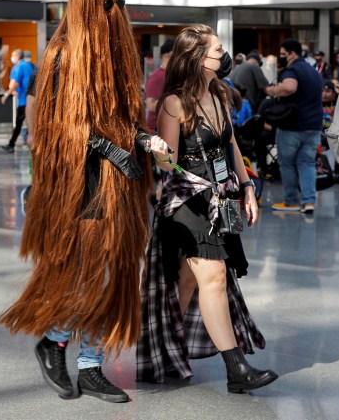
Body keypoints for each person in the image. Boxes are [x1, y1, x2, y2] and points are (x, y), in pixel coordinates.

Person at [0, 0, 169, 403]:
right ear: (89, 3)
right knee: (88, 277)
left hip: (118, 188)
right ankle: (54, 342)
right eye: (108, 2)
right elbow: (61, 127)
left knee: (114, 278)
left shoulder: (113, 56)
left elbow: (116, 119)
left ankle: (90, 365)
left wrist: (143, 140)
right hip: (78, 188)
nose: (118, 10)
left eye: (118, 1)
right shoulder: (62, 56)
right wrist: (112, 150)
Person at [138, 24, 277, 393]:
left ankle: (166, 350)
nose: (223, 54)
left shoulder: (220, 93)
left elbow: (230, 142)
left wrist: (247, 186)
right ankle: (237, 370)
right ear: (197, 58)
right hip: (188, 201)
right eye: (217, 49)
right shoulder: (174, 103)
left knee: (185, 281)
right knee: (213, 277)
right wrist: (161, 155)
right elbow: (168, 166)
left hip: (220, 197)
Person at [266, 39, 323, 213]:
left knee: (287, 164)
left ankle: (291, 201)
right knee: (307, 163)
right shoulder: (313, 72)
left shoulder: (292, 70)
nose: (281, 57)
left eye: (283, 54)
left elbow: (290, 87)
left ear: (292, 54)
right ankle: (309, 202)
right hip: (314, 126)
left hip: (293, 127)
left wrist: (273, 90)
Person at [1, 49, 36, 152]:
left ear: (17, 57)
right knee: (30, 123)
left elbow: (15, 83)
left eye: (12, 56)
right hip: (31, 99)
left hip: (23, 101)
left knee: (19, 123)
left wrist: (7, 94)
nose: (12, 58)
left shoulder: (19, 67)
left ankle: (11, 145)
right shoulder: (29, 66)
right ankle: (13, 144)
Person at [145, 39, 174, 134]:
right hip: (158, 131)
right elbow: (151, 106)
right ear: (168, 55)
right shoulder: (157, 77)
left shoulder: (170, 74)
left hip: (167, 128)